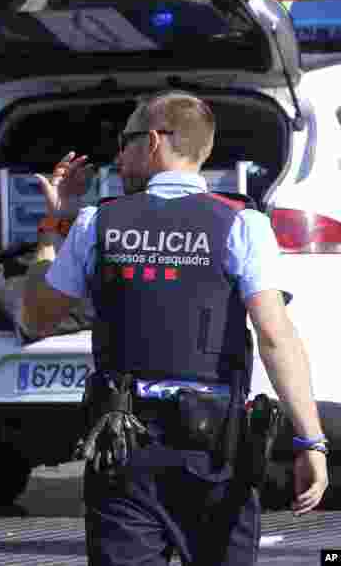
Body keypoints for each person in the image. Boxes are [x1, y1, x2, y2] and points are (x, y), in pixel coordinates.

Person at [20, 91, 329, 565]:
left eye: (125, 142)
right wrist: (310, 441)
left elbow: (36, 318)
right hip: (215, 455)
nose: (117, 156)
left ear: (154, 142)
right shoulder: (243, 224)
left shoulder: (94, 223)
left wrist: (52, 226)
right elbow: (274, 334)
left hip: (123, 450)